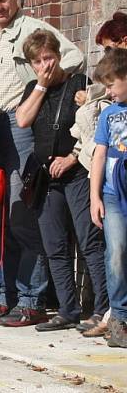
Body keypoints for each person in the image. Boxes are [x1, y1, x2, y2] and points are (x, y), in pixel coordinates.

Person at [0, 0, 84, 326]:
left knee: (25, 210)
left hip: (20, 125)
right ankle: (11, 295)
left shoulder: (31, 28)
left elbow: (74, 57)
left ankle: (33, 298)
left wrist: (45, 92)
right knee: (5, 217)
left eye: (3, 0)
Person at [14, 30, 108, 332]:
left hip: (77, 172)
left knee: (89, 241)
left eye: (50, 57)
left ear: (58, 55)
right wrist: (40, 84)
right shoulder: (33, 87)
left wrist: (71, 158)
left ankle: (102, 309)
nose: (46, 64)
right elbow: (22, 120)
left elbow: (94, 128)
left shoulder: (78, 84)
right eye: (39, 61)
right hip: (46, 178)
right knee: (54, 245)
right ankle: (68, 309)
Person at [90, 49, 127, 349]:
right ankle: (120, 319)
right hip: (114, 194)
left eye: (112, 84)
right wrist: (95, 197)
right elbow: (99, 154)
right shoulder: (108, 114)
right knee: (116, 252)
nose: (109, 91)